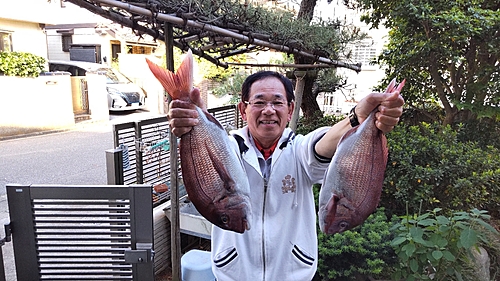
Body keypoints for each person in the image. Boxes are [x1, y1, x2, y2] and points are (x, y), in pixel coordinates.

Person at [168, 71, 404, 280]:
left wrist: (358, 117)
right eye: (259, 102)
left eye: (277, 102)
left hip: (294, 275)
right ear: (243, 110)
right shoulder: (228, 149)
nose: (268, 110)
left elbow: (322, 146)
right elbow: (207, 153)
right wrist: (193, 120)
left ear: (290, 109)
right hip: (232, 274)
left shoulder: (299, 149)